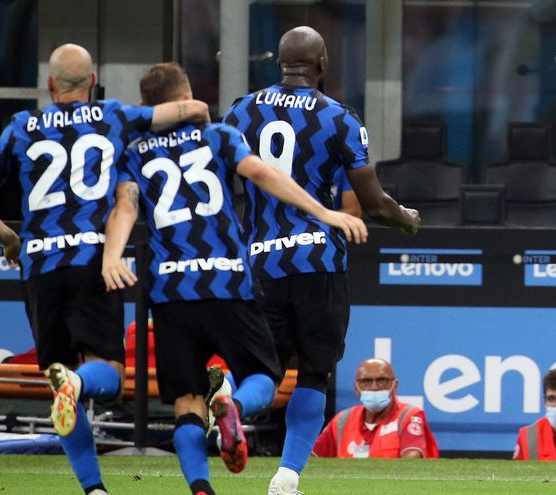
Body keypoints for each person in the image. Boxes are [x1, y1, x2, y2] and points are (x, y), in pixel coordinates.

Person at [101, 63, 367, 495]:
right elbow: (262, 173)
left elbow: (125, 207)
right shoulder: (219, 136)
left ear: (147, 104)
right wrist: (323, 212)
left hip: (170, 290)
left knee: (187, 402)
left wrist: (112, 256)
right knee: (270, 374)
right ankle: (238, 410)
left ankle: (202, 487)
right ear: (187, 96)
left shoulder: (134, 153)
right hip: (228, 280)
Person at [0, 44, 209, 495]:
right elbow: (187, 109)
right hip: (91, 261)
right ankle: (77, 382)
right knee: (107, 376)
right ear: (93, 82)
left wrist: (9, 239)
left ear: (50, 84)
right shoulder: (112, 116)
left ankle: (93, 488)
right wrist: (193, 114)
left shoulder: (20, 127)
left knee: (60, 383)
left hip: (40, 266)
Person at [222, 26, 420, 495]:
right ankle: (286, 478)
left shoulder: (240, 111)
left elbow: (218, 184)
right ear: (323, 64)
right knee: (314, 371)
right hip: (318, 261)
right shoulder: (339, 118)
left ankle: (232, 401)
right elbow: (373, 204)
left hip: (260, 263)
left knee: (262, 371)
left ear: (280, 63)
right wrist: (407, 219)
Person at [312, 358, 438, 459]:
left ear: (395, 386)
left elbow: (411, 461)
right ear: (356, 388)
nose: (374, 387)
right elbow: (311, 459)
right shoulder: (342, 420)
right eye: (366, 381)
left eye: (382, 380)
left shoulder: (409, 416)